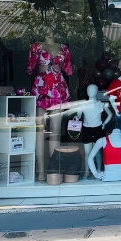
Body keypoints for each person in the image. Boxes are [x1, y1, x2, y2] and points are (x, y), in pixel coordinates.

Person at [27, 32, 73, 181]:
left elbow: (68, 70)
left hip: (58, 88)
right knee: (39, 129)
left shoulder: (64, 48)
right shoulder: (36, 47)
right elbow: (30, 67)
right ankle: (40, 171)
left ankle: (54, 169)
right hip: (42, 87)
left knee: (55, 130)